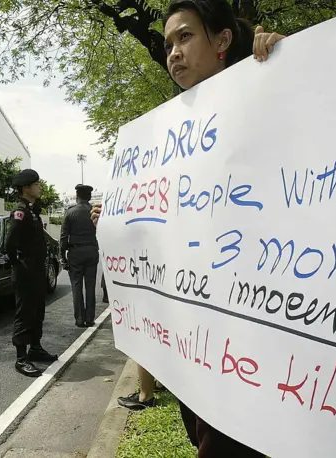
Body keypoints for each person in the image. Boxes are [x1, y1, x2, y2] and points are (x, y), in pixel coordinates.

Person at [93, 0, 285, 454]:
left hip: (253, 339)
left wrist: (290, 59)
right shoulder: (172, 135)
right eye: (167, 44)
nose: (173, 52)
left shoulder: (272, 90)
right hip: (195, 346)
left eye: (185, 37)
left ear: (222, 41)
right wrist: (117, 219)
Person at [6, 169, 58, 377]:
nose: (40, 187)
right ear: (26, 188)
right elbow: (9, 243)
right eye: (36, 184)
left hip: (37, 270)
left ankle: (35, 348)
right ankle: (21, 358)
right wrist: (17, 265)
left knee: (37, 312)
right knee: (25, 314)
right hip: (26, 272)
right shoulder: (20, 212)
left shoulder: (33, 211)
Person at [60, 184, 100, 327]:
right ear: (89, 197)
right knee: (90, 286)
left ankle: (79, 319)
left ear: (77, 196)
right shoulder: (95, 212)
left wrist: (62, 257)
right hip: (91, 251)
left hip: (75, 253)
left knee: (76, 286)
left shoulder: (70, 212)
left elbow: (64, 237)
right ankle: (90, 319)